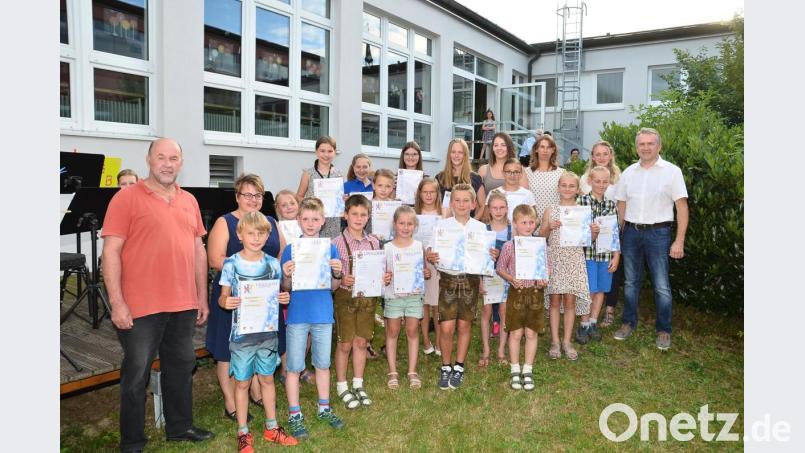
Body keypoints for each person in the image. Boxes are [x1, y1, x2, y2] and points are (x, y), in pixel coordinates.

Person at [102, 138, 213, 452]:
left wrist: (201, 296)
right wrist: (117, 302)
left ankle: (180, 427)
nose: (167, 164)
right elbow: (110, 252)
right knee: (136, 374)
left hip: (183, 303)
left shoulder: (189, 200)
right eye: (161, 157)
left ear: (181, 163)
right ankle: (132, 441)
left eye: (173, 158)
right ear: (149, 160)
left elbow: (198, 251)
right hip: (140, 305)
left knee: (181, 367)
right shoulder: (126, 198)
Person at [206, 174, 286, 425]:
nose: (253, 199)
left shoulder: (270, 222)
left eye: (258, 195)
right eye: (247, 194)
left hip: (265, 298)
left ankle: (256, 391)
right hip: (234, 296)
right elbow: (215, 259)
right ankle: (230, 401)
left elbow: (281, 254)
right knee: (227, 350)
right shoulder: (225, 222)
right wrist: (249, 271)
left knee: (260, 342)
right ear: (237, 197)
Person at [217, 212, 298, 451]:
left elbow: (280, 292)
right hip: (242, 337)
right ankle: (243, 432)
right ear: (240, 235)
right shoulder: (231, 263)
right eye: (251, 233)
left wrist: (284, 295)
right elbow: (222, 297)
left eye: (261, 233)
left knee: (267, 379)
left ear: (268, 235)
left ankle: (272, 427)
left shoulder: (272, 263)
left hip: (268, 333)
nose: (256, 238)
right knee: (242, 383)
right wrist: (226, 302)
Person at [613, 128, 688, 351]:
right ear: (636, 147)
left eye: (650, 143)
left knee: (661, 285)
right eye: (642, 144)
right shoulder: (628, 173)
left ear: (659, 146)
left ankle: (664, 330)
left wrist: (679, 240)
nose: (645, 147)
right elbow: (621, 204)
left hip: (659, 234)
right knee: (630, 282)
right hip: (631, 233)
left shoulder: (672, 172)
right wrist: (618, 235)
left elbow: (682, 207)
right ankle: (628, 323)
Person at [280, 197, 346, 440]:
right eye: (305, 219)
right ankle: (294, 413)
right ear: (298, 220)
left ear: (323, 221)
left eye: (315, 219)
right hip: (298, 315)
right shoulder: (291, 249)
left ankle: (324, 407)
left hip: (322, 314)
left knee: (322, 364)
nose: (310, 223)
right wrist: (287, 275)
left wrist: (337, 272)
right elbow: (286, 287)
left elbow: (334, 287)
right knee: (294, 366)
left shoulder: (330, 249)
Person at [426, 184, 499, 390]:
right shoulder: (441, 226)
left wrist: (491, 256)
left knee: (464, 325)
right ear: (451, 204)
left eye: (466, 200)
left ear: (474, 204)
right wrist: (430, 255)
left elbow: (486, 255)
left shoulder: (480, 228)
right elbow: (430, 250)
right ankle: (445, 366)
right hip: (448, 280)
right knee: (446, 327)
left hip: (470, 281)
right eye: (457, 200)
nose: (461, 204)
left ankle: (459, 365)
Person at [331, 195, 380, 409]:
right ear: (345, 215)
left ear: (368, 217)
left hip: (368, 299)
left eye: (363, 215)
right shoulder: (336, 243)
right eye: (354, 214)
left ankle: (358, 383)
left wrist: (384, 276)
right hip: (345, 298)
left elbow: (378, 269)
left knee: (361, 341)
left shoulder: (373, 242)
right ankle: (342, 385)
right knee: (345, 343)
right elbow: (330, 274)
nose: (358, 219)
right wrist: (341, 278)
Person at [539, 172, 591, 361]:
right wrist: (549, 226)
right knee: (554, 301)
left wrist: (593, 232)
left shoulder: (582, 211)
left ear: (577, 189)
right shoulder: (550, 210)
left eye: (571, 186)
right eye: (564, 185)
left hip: (574, 259)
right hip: (555, 258)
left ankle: (567, 341)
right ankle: (555, 341)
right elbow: (542, 236)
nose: (567, 189)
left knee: (570, 302)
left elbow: (587, 239)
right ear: (558, 187)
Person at [495, 204, 548, 391]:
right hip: (516, 293)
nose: (528, 226)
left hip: (535, 293)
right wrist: (511, 279)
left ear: (536, 223)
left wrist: (543, 280)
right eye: (523, 222)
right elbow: (500, 268)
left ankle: (528, 369)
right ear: (515, 223)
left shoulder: (541, 245)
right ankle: (515, 368)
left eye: (531, 222)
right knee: (516, 333)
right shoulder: (509, 246)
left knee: (532, 333)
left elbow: (546, 268)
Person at [382, 205, 430, 390]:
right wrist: (385, 278)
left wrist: (426, 273)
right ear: (395, 224)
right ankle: (392, 371)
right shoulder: (387, 248)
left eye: (410, 224)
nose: (405, 227)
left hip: (414, 296)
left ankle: (412, 371)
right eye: (402, 223)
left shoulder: (418, 247)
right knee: (392, 331)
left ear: (415, 226)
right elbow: (382, 274)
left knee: (412, 330)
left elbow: (424, 271)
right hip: (393, 296)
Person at [578, 141, 622, 326]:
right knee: (589, 289)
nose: (602, 185)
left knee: (601, 289)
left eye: (605, 182)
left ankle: (593, 322)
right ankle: (584, 323)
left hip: (605, 253)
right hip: (587, 253)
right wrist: (590, 234)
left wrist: (617, 255)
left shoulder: (611, 205)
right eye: (598, 181)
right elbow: (578, 230)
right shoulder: (581, 202)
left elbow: (615, 233)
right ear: (590, 181)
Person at [479, 192, 511, 367]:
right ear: (489, 210)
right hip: (488, 276)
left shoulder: (513, 230)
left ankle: (501, 350)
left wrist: (503, 255)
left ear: (507, 209)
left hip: (507, 277)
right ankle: (486, 349)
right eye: (494, 208)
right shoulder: (483, 230)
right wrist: (479, 281)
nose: (498, 211)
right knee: (487, 311)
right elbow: (476, 258)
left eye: (501, 207)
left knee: (504, 312)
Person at [414, 178, 442, 357]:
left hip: (437, 261)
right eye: (425, 192)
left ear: (437, 194)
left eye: (432, 192)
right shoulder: (414, 213)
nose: (429, 195)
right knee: (423, 303)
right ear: (420, 194)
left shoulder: (445, 212)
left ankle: (439, 340)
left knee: (437, 303)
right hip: (418, 261)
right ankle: (425, 339)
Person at [295, 136, 344, 238]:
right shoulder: (308, 173)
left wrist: (343, 200)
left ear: (335, 153)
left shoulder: (339, 175)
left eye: (330, 151)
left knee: (330, 247)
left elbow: (340, 199)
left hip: (333, 222)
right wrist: (309, 205)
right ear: (316, 152)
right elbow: (299, 196)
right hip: (312, 221)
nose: (326, 155)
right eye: (322, 151)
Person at [435, 138, 485, 219]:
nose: (456, 155)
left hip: (468, 225)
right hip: (445, 224)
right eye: (453, 152)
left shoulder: (475, 178)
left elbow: (482, 206)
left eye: (460, 152)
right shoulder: (439, 178)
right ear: (449, 154)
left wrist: (471, 223)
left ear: (465, 155)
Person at [523, 134, 565, 225]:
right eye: (542, 147)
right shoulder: (526, 172)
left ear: (553, 150)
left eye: (548, 147)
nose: (545, 150)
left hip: (554, 223)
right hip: (531, 223)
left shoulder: (561, 173)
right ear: (536, 149)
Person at [488, 158, 537, 223]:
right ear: (503, 173)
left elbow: (535, 218)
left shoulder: (528, 194)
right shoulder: (493, 193)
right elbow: (486, 218)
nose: (512, 175)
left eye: (516, 172)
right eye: (508, 172)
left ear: (521, 174)